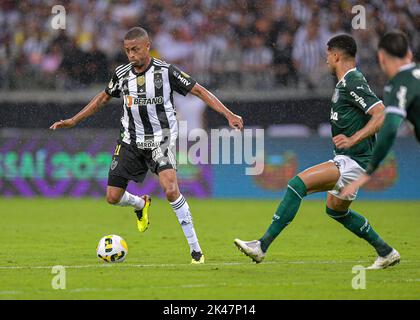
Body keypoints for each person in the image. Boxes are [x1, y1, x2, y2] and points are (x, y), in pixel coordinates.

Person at [50, 27, 243, 264]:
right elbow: (102, 98)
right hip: (130, 141)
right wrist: (73, 120)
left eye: (135, 49)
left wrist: (228, 114)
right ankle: (140, 203)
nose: (131, 55)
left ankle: (196, 251)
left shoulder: (167, 71)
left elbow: (199, 91)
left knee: (171, 189)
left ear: (147, 47)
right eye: (127, 50)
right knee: (112, 197)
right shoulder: (121, 74)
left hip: (160, 139)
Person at [234, 34, 400, 270]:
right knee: (336, 211)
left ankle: (261, 245)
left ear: (336, 55)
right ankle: (386, 252)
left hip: (354, 161)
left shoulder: (353, 81)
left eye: (327, 56)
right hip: (351, 159)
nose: (326, 61)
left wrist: (354, 138)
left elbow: (381, 113)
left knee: (296, 184)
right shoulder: (345, 83)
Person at [341, 31, 420, 198]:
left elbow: (390, 127)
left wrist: (368, 172)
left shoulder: (399, 83)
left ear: (381, 57)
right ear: (409, 53)